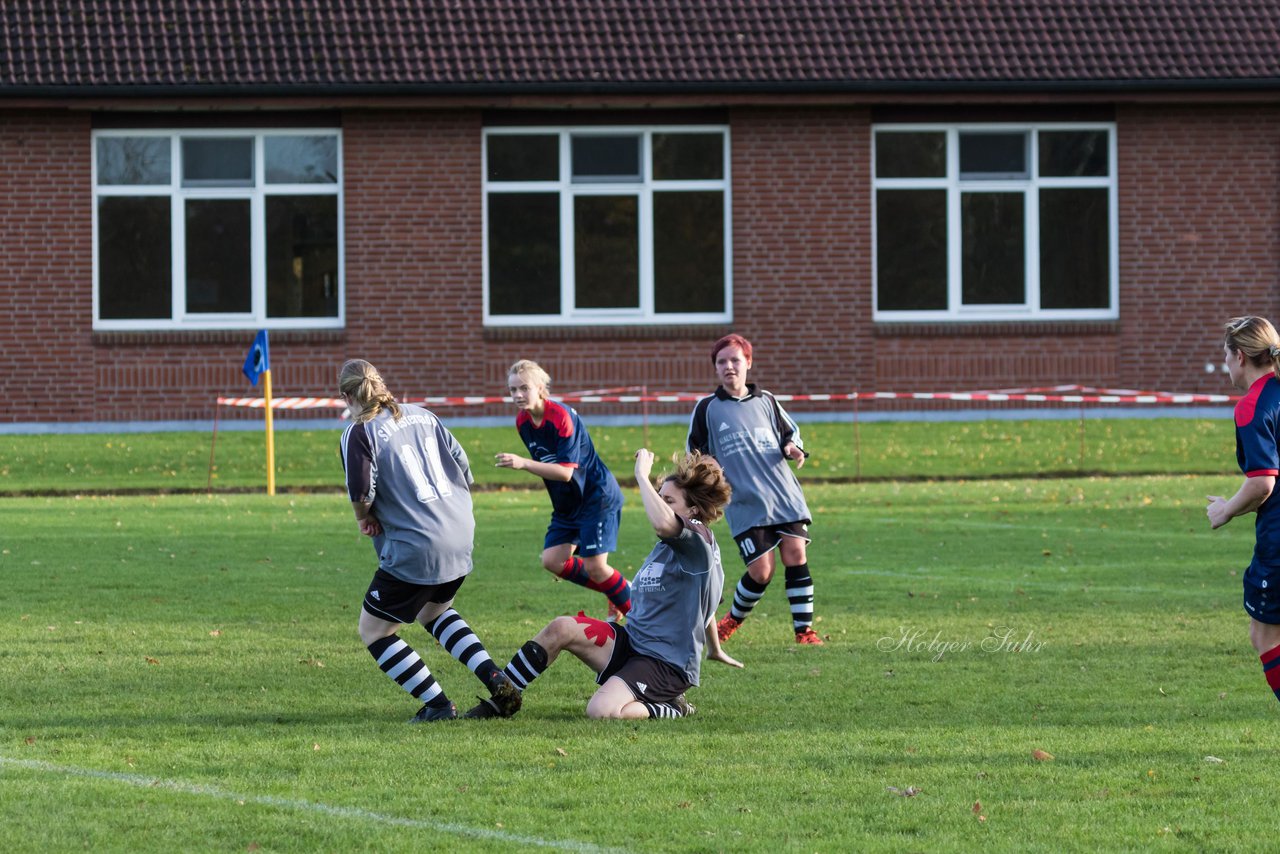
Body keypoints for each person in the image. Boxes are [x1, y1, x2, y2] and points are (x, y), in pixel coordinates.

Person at [466, 449, 741, 720]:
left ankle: (673, 707)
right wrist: (714, 649)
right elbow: (706, 604)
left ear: (693, 510)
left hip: (665, 664)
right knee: (561, 627)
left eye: (669, 500)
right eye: (660, 498)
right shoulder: (671, 548)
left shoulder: (698, 540)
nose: (660, 504)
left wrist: (641, 477)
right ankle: (502, 700)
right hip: (633, 644)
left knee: (601, 711)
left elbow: (662, 523)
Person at [338, 359, 521, 722]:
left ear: (346, 395)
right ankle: (494, 676)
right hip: (460, 532)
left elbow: (362, 492)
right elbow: (463, 467)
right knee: (434, 611)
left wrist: (364, 518)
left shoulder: (359, 432)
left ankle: (437, 705)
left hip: (418, 544)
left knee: (374, 631)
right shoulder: (423, 414)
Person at [687, 333, 825, 645]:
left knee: (795, 553)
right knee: (762, 571)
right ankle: (731, 621)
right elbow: (694, 453)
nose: (729, 367)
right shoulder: (707, 408)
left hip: (784, 496)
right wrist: (706, 469)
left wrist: (792, 447)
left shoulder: (767, 401)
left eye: (735, 360)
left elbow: (792, 434)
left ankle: (804, 632)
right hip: (745, 503)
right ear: (716, 368)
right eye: (722, 362)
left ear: (748, 362)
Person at [496, 359, 631, 619]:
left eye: (524, 388)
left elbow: (566, 472)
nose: (517, 395)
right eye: (512, 390)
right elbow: (549, 466)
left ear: (540, 388)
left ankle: (645, 620)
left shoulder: (560, 416)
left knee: (596, 566)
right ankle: (616, 591)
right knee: (552, 560)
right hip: (568, 503)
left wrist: (523, 463)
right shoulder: (522, 422)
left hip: (595, 496)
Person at [1207, 316, 1280, 706]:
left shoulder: (1252, 405)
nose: (1225, 364)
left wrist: (1225, 511)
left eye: (1225, 355)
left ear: (1240, 357)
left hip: (1278, 542)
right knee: (1262, 633)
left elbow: (1262, 483)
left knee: (1264, 637)